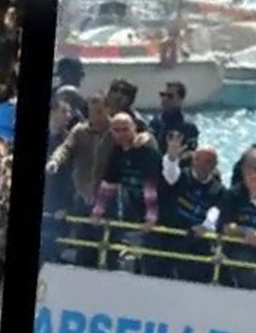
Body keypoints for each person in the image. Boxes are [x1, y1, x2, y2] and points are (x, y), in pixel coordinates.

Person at [90, 113, 161, 271]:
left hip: (157, 208)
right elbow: (108, 184)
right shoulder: (116, 153)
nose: (121, 134)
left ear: (134, 128)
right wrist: (98, 210)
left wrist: (151, 217)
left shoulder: (147, 152)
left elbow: (151, 187)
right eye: (117, 130)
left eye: (125, 129)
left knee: (152, 258)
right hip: (134, 206)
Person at [155, 132, 223, 283]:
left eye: (209, 161)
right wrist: (172, 157)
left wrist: (206, 226)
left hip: (195, 241)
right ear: (193, 160)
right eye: (200, 160)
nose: (203, 165)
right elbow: (170, 174)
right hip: (169, 235)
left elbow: (216, 211)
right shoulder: (182, 177)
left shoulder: (218, 189)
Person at [217, 148, 256, 291]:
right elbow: (226, 225)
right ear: (245, 169)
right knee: (249, 272)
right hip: (240, 247)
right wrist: (246, 233)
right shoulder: (233, 194)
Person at [148, 81, 198, 158]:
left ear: (181, 100)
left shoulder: (189, 126)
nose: (165, 99)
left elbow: (191, 153)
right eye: (163, 95)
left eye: (170, 96)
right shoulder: (155, 121)